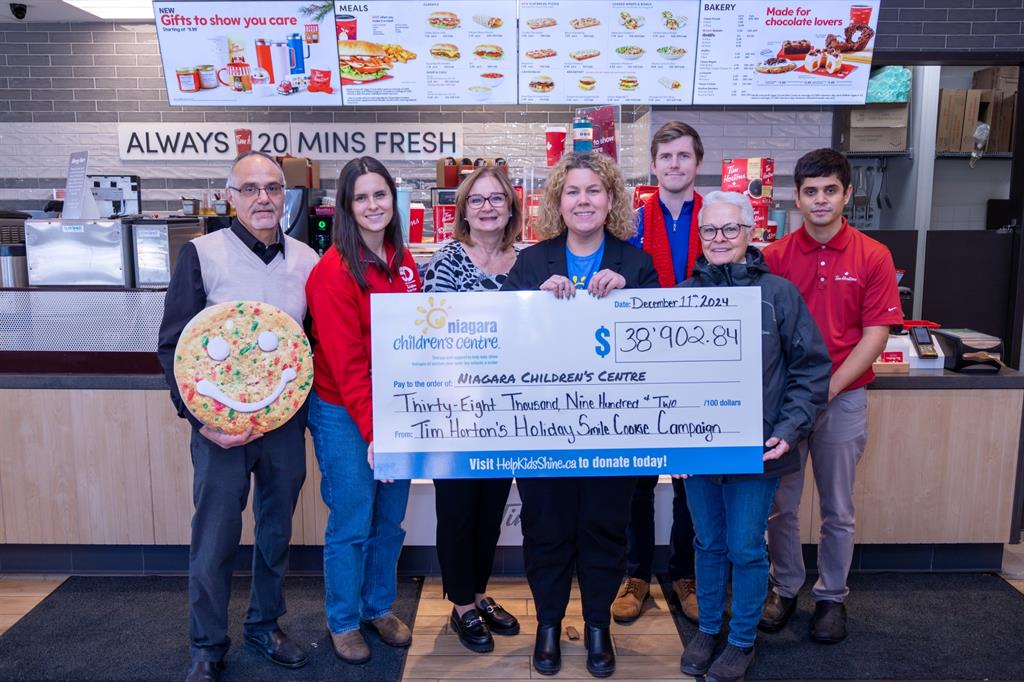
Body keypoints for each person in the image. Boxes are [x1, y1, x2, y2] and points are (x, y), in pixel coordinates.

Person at [157, 151, 320, 682]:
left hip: (283, 428)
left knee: (275, 533)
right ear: (231, 196)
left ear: (286, 195)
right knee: (215, 537)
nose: (263, 199)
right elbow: (172, 346)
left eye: (273, 188)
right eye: (250, 189)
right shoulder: (202, 255)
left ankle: (265, 624)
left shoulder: (306, 260)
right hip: (218, 430)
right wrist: (200, 421)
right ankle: (206, 645)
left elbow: (310, 345)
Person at [501, 151, 659, 678]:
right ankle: (548, 624)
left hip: (613, 432)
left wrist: (630, 297)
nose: (584, 200)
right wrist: (534, 304)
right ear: (558, 202)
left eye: (594, 190)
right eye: (573, 192)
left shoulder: (636, 264)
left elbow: (658, 347)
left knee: (604, 530)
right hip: (543, 430)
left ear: (611, 199)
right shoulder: (531, 263)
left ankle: (597, 626)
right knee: (545, 529)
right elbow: (507, 343)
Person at [675, 191, 831, 682]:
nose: (718, 240)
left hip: (759, 447)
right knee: (708, 542)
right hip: (699, 447)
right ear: (699, 238)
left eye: (729, 230)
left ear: (750, 233)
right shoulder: (681, 296)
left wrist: (789, 430)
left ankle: (741, 639)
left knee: (745, 545)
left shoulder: (779, 294)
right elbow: (665, 378)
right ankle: (708, 630)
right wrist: (667, 438)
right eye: (709, 231)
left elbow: (810, 369)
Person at [760, 149, 903, 643]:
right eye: (810, 191)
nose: (820, 200)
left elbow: (876, 333)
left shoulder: (873, 256)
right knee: (782, 504)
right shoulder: (774, 258)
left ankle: (831, 597)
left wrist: (827, 388)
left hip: (842, 398)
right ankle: (783, 588)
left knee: (838, 507)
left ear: (847, 194)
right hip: (783, 405)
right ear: (796, 198)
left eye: (829, 190)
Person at [304, 156, 420, 664]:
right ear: (346, 208)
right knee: (352, 520)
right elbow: (348, 366)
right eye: (362, 198)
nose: (374, 206)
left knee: (390, 521)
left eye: (381, 195)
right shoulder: (332, 273)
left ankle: (377, 606)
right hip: (345, 414)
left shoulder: (404, 260)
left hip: (395, 410)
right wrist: (377, 433)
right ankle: (344, 620)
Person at [422, 166, 523, 653]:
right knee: (457, 511)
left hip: (510, 414)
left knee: (490, 510)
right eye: (477, 200)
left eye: (496, 199)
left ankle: (480, 593)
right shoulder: (446, 262)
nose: (487, 207)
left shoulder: (528, 263)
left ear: (510, 207)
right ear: (463, 210)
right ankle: (461, 603)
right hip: (456, 414)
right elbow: (426, 336)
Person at [615, 120, 706, 624]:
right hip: (641, 366)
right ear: (654, 164)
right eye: (666, 156)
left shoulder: (716, 217)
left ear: (697, 162)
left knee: (692, 479)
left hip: (696, 366)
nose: (674, 165)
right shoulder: (630, 223)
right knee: (637, 479)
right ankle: (636, 575)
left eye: (684, 156)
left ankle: (684, 573)